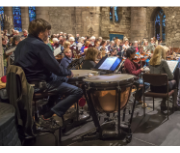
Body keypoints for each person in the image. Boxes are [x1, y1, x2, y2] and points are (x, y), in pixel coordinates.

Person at [14, 18, 83, 120]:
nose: (48, 34)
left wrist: (63, 74)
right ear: (41, 32)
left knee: (62, 79)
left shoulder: (21, 44)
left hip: (24, 82)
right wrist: (68, 72)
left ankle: (47, 107)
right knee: (78, 91)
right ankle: (50, 113)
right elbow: (56, 69)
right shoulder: (40, 46)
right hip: (39, 84)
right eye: (47, 31)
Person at [149, 45, 177, 110]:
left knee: (165, 83)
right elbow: (171, 76)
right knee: (174, 82)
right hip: (162, 88)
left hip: (153, 88)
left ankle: (163, 103)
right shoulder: (163, 62)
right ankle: (174, 105)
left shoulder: (150, 62)